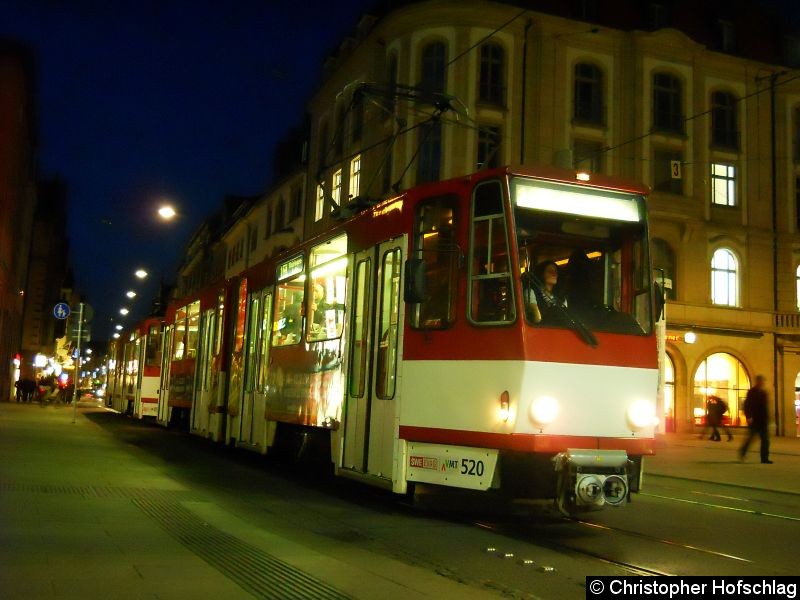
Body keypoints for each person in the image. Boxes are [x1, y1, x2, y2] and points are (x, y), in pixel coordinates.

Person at [739, 375, 772, 463]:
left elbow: (765, 407)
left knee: (765, 440)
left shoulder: (763, 393)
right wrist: (749, 416)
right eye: (760, 381)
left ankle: (764, 458)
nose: (762, 383)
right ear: (757, 381)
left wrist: (768, 418)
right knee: (750, 438)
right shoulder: (752, 392)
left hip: (763, 420)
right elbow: (747, 405)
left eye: (763, 381)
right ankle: (742, 452)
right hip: (755, 419)